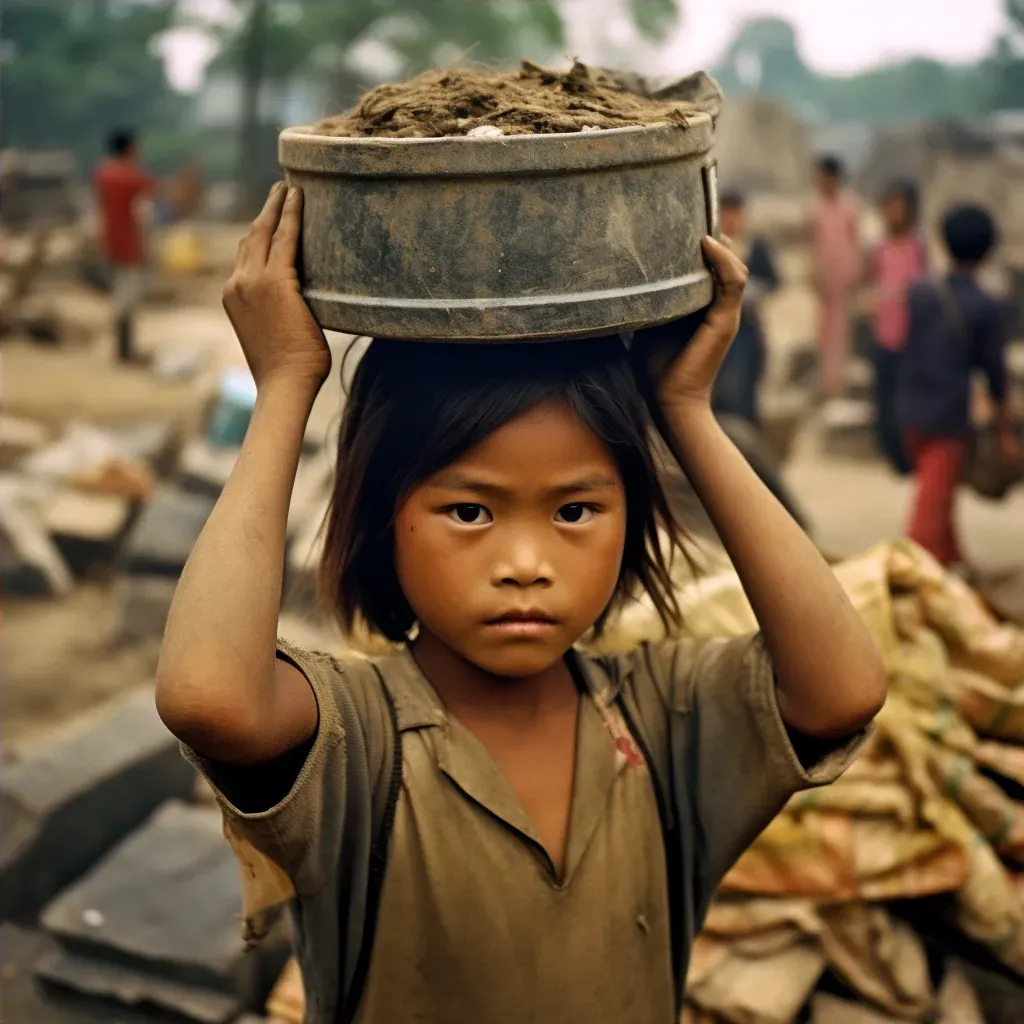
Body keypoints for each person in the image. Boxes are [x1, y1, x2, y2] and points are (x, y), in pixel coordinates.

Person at [155, 183, 885, 1023]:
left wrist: (685, 411)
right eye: (469, 512)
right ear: (383, 518)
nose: (527, 564)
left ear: (631, 521)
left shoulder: (658, 720)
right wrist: (287, 380)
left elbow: (844, 689)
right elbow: (208, 696)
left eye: (576, 511)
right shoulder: (362, 739)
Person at [898, 204, 1018, 569]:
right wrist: (1001, 411)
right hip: (947, 416)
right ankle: (912, 575)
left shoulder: (920, 293)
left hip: (909, 406)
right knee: (927, 518)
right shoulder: (984, 306)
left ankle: (954, 560)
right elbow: (993, 368)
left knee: (939, 496)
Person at [866, 180, 927, 475]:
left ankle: (910, 457)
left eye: (898, 206)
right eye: (889, 206)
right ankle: (892, 455)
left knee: (910, 403)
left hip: (914, 339)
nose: (893, 213)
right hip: (884, 337)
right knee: (885, 401)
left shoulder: (919, 247)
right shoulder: (878, 248)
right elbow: (870, 285)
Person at [715, 188, 780, 426]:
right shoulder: (715, 244)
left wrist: (752, 291)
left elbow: (774, 281)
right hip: (721, 326)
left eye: (736, 214)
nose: (732, 219)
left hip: (747, 326)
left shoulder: (755, 246)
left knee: (746, 389)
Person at [94, 128, 157, 363]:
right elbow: (144, 214)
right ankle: (125, 351)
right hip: (129, 244)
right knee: (127, 297)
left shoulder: (104, 174)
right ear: (130, 148)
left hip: (110, 241)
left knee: (120, 293)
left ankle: (124, 349)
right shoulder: (135, 178)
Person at [811, 155, 862, 400]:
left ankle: (839, 388)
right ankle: (826, 386)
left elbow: (855, 239)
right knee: (824, 332)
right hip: (824, 278)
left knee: (841, 332)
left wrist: (855, 273)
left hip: (845, 276)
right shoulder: (816, 209)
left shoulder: (850, 205)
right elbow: (813, 244)